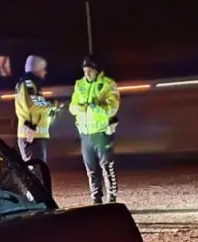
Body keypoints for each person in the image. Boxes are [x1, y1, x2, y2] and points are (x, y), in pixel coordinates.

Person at [69, 55, 120, 203]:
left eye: (90, 71)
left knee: (107, 166)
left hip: (102, 131)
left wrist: (95, 106)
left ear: (97, 71)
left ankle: (112, 197)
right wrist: (79, 107)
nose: (87, 74)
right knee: (91, 169)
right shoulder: (79, 85)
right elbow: (72, 107)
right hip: (85, 133)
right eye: (85, 71)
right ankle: (96, 197)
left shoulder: (108, 84)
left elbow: (112, 109)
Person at [13, 55, 58, 163]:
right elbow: (32, 105)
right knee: (36, 173)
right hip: (32, 136)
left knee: (37, 172)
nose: (45, 72)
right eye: (43, 69)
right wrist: (50, 105)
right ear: (36, 69)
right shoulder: (28, 84)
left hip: (34, 135)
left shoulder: (32, 85)